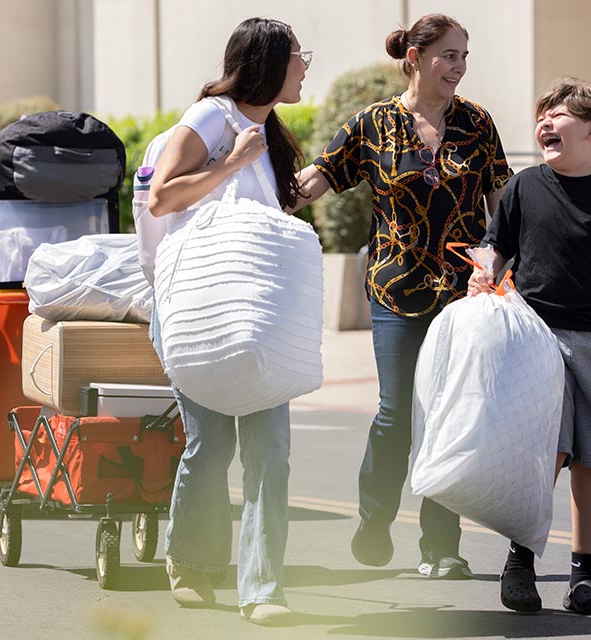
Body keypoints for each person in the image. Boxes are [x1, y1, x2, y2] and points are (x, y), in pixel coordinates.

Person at [290, 14, 511, 577]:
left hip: (464, 295)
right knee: (396, 415)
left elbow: (505, 201)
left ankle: (441, 547)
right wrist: (245, 190)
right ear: (414, 57)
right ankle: (374, 519)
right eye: (448, 56)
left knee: (448, 416)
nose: (459, 67)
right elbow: (316, 180)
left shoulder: (477, 123)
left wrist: (501, 255)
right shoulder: (372, 124)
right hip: (395, 289)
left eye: (464, 56)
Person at [146, 17, 309, 626]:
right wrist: (233, 162)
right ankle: (189, 562)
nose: (304, 66)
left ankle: (264, 587)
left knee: (271, 451)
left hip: (255, 311)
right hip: (198, 306)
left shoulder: (270, 131)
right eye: (298, 55)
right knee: (211, 445)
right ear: (267, 61)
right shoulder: (214, 117)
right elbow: (163, 196)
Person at [468, 77, 591, 614]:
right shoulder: (525, 185)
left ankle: (583, 580)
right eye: (541, 114)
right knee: (547, 454)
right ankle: (520, 563)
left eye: (559, 114)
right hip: (537, 338)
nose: (545, 122)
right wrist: (482, 277)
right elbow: (494, 247)